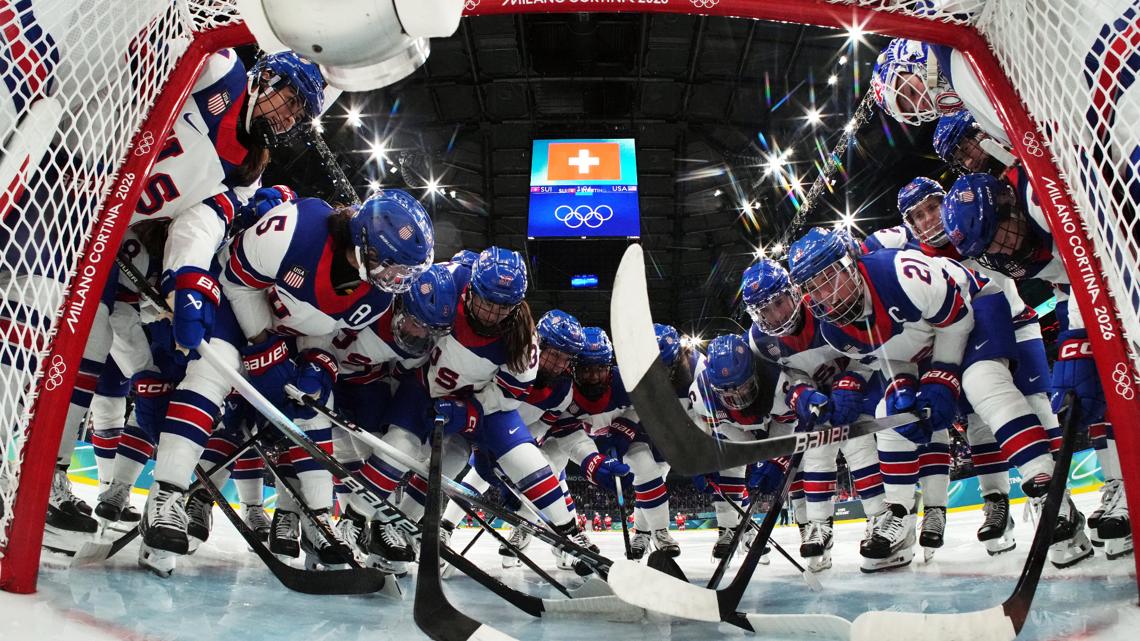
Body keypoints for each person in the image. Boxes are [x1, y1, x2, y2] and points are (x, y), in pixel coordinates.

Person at [137, 187, 434, 576]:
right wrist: (263, 348)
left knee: (312, 406)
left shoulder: (376, 298)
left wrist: (315, 363)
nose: (399, 280)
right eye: (396, 267)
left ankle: (318, 519)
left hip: (283, 335)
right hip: (233, 302)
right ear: (368, 250)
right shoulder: (297, 228)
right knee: (215, 370)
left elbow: (323, 329)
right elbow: (235, 281)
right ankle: (166, 495)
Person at [863, 175, 1067, 557]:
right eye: (918, 215)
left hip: (1011, 318)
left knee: (1035, 405)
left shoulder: (970, 213)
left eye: (932, 207)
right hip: (953, 336)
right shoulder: (905, 247)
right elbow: (864, 252)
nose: (929, 220)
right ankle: (996, 504)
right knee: (970, 417)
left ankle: (1055, 496)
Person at [354, 247, 593, 572]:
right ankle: (362, 519)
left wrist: (467, 413)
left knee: (526, 457)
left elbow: (507, 400)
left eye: (503, 306)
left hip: (483, 402)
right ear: (473, 287)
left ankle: (571, 535)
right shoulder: (446, 280)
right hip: (426, 387)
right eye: (487, 300)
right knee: (401, 446)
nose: (493, 313)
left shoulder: (524, 343)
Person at [943, 172, 1122, 562]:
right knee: (1087, 395)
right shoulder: (982, 249)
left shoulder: (1041, 201)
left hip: (1112, 267)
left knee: (1081, 391)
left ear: (1009, 206)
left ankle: (1119, 484)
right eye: (987, 245)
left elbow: (1090, 258)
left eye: (997, 233)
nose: (999, 248)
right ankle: (1090, 495)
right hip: (1080, 290)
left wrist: (1077, 333)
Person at [788, 226, 980, 572]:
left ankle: (944, 505)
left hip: (966, 318)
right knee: (896, 416)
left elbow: (952, 316)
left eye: (829, 278)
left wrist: (944, 374)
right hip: (911, 350)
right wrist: (897, 381)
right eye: (813, 287)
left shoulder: (896, 267)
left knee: (988, 401)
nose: (825, 294)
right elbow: (882, 352)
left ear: (851, 262)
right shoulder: (832, 329)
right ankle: (900, 516)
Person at [740, 259, 886, 572]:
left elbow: (870, 341)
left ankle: (880, 516)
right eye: (765, 311)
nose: (775, 316)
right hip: (818, 399)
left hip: (862, 385)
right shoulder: (759, 341)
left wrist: (855, 378)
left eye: (779, 303)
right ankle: (820, 527)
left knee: (860, 446)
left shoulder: (823, 302)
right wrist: (800, 392)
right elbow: (782, 377)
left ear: (793, 293)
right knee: (817, 451)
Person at [565, 327, 681, 559]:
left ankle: (659, 530)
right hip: (575, 441)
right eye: (586, 369)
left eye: (600, 368)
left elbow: (640, 406)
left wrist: (623, 430)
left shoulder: (624, 380)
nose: (594, 376)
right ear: (573, 367)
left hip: (616, 436)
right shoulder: (563, 386)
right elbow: (556, 424)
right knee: (546, 472)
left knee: (646, 468)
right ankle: (559, 536)